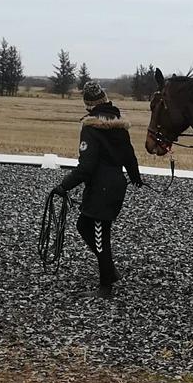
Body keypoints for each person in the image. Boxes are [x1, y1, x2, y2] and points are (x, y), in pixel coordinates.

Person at [53, 80, 142, 294]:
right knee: (84, 225)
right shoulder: (120, 126)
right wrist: (135, 177)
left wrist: (63, 186)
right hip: (114, 185)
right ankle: (109, 269)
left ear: (88, 105)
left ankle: (105, 286)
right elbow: (129, 155)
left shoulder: (90, 129)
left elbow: (86, 167)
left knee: (100, 236)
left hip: (102, 189)